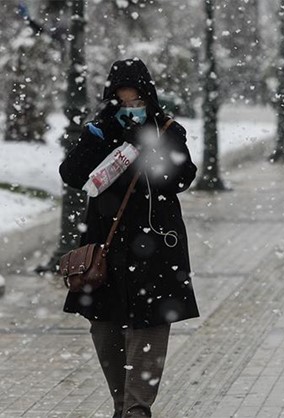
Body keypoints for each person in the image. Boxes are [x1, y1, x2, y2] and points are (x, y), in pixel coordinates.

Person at [59, 58, 199, 417]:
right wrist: (99, 141)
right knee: (105, 328)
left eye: (135, 97)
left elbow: (182, 178)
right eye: (122, 98)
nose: (130, 105)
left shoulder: (165, 129)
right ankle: (122, 404)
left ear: (147, 94)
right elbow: (72, 174)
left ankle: (137, 409)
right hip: (105, 247)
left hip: (155, 248)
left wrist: (153, 151)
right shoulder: (100, 131)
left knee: (150, 326)